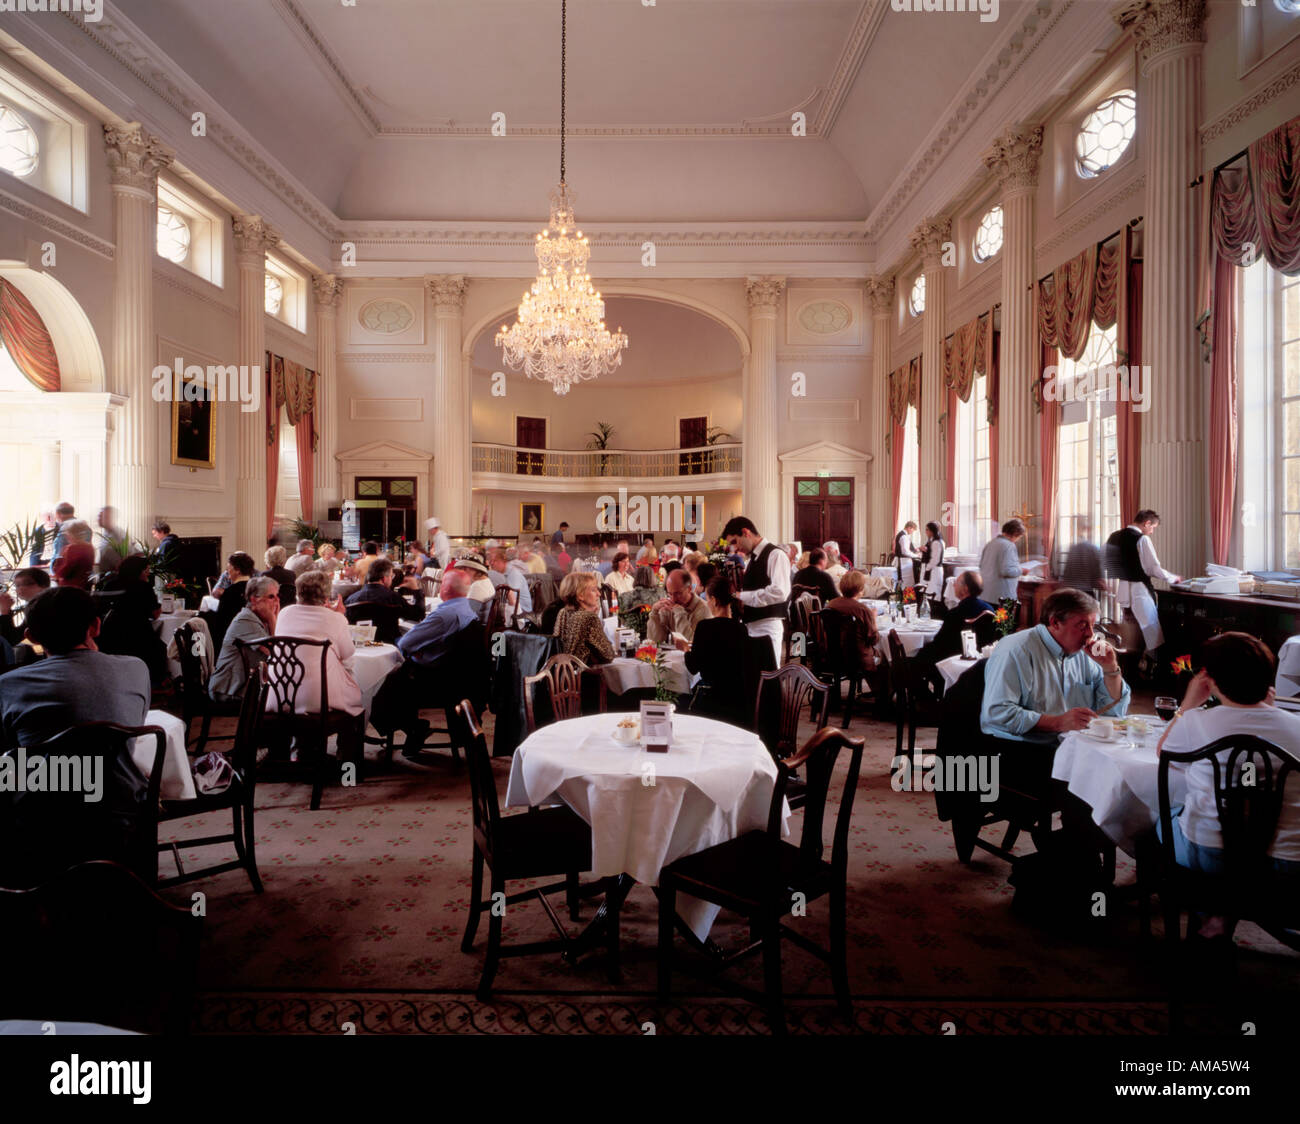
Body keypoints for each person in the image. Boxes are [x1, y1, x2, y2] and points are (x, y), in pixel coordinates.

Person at [0, 587, 153, 880]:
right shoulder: (136, 668)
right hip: (122, 808)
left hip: (40, 817)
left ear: (31, 635)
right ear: (96, 626)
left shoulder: (8, 685)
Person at [1156, 633, 1300, 914]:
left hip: (1212, 854)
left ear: (1209, 679)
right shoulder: (1297, 726)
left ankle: (1210, 907)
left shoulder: (1196, 721)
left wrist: (1187, 704)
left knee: (1161, 819)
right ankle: (1226, 909)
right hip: (1291, 859)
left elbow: (1164, 753)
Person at [981, 587, 1128, 796]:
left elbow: (1113, 713)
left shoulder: (1083, 654)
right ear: (1055, 622)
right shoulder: (1017, 650)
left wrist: (1110, 669)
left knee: (1121, 775)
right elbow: (996, 714)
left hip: (1069, 748)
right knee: (1101, 783)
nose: (1090, 634)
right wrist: (1058, 722)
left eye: (1092, 625)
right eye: (1082, 625)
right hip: (1019, 751)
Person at [378, 569, 488, 756]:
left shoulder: (444, 615)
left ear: (445, 588)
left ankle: (414, 727)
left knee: (378, 687)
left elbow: (404, 644)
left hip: (436, 682)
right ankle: (413, 728)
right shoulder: (465, 608)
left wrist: (417, 648)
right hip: (458, 678)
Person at [273, 569, 362, 717]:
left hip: (281, 694)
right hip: (320, 699)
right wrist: (339, 617)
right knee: (356, 686)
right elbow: (348, 658)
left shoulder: (284, 613)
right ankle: (349, 737)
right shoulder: (335, 619)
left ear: (298, 591)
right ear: (327, 595)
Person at [1105, 508, 1181, 658]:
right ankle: (1152, 669)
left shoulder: (1114, 536)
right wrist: (1173, 578)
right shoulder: (1142, 539)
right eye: (1152, 527)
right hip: (1140, 591)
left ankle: (1130, 666)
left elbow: (1109, 563)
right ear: (1146, 523)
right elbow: (1153, 568)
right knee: (1152, 633)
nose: (1152, 531)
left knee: (1131, 633)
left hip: (1123, 590)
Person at [676, 575, 750, 723]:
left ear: (715, 601)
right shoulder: (742, 629)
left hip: (711, 700)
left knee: (675, 699)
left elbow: (693, 667)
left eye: (708, 599)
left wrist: (685, 649)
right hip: (738, 701)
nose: (707, 603)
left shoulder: (705, 627)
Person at [723, 515, 791, 669]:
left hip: (767, 626)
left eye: (734, 541)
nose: (734, 548)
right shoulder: (752, 558)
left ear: (746, 533)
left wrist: (742, 596)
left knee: (769, 676)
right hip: (752, 625)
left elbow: (780, 592)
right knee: (755, 677)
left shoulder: (776, 555)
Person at [96, 554, 167, 685]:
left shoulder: (110, 584)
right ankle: (153, 685)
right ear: (139, 571)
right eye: (146, 571)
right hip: (138, 634)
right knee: (161, 648)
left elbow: (100, 608)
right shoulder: (144, 587)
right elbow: (155, 614)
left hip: (111, 635)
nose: (148, 574)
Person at [209, 575, 280, 702]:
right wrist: (272, 619)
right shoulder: (246, 620)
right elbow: (276, 654)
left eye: (277, 595)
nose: (277, 601)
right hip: (228, 690)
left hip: (243, 686)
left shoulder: (258, 619)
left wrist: (272, 619)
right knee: (282, 698)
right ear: (254, 600)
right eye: (271, 596)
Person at [823, 569, 887, 699]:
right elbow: (873, 639)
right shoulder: (862, 610)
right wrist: (873, 619)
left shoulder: (831, 604)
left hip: (832, 655)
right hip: (857, 658)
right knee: (886, 656)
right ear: (861, 589)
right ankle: (884, 697)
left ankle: (878, 692)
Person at [916, 570, 995, 667]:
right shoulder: (990, 610)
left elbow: (939, 644)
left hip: (952, 662)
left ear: (965, 589)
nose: (953, 586)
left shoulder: (955, 614)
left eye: (956, 583)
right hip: (981, 663)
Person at [345, 557, 423, 637]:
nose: (392, 580)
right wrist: (416, 590)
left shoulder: (350, 600)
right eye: (391, 576)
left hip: (362, 645)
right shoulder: (393, 598)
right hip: (390, 644)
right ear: (384, 579)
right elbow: (418, 615)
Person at [553, 572, 615, 666]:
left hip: (563, 676)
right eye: (594, 590)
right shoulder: (589, 618)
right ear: (580, 595)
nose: (598, 594)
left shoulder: (563, 612)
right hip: (583, 677)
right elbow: (608, 655)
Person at [647, 567, 712, 644]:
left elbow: (691, 643)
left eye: (678, 593)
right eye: (670, 594)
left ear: (689, 588)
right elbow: (656, 640)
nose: (673, 599)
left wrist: (679, 613)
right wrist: (655, 613)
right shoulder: (669, 605)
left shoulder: (703, 609)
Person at [212, 551, 256, 648]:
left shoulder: (229, 592)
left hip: (234, 644)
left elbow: (220, 626)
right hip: (255, 640)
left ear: (238, 570)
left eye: (229, 570)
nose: (228, 575)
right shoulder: (256, 590)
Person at [0, 568, 50, 647]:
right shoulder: (37, 604)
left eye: (27, 584)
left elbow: (10, 640)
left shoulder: (40, 607)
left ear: (43, 586)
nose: (19, 589)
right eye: (17, 586)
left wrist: (5, 612)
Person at [979, 518, 1025, 604]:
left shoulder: (990, 543)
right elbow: (1006, 571)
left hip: (985, 594)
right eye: (1019, 537)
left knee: (989, 617)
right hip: (1003, 597)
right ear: (1015, 534)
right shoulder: (1009, 545)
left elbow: (981, 566)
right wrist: (1021, 570)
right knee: (1004, 618)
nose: (1017, 540)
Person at [1061, 520, 1104, 601]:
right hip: (1086, 591)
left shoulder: (1072, 549)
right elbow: (1098, 575)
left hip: (1071, 591)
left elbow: (1066, 573)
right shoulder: (1093, 549)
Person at [52, 520, 94, 589]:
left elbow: (66, 569)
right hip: (85, 583)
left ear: (70, 534)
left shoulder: (71, 549)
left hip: (71, 585)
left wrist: (57, 573)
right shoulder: (90, 547)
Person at [488, 549, 532, 614]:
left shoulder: (513, 575)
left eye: (495, 561)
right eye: (490, 561)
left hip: (522, 613)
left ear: (504, 562)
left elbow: (511, 598)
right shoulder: (500, 574)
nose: (491, 563)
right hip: (511, 608)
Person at [920, 521, 946, 609]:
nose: (926, 532)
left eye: (927, 530)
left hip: (935, 570)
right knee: (930, 592)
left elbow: (935, 560)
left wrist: (927, 568)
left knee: (933, 592)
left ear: (932, 531)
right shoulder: (937, 541)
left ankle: (934, 612)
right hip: (934, 570)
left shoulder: (936, 542)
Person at [95, 506, 125, 575]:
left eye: (103, 517)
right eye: (99, 516)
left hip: (114, 579)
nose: (99, 519)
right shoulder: (106, 533)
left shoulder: (119, 536)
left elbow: (121, 563)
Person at [49, 501, 77, 566]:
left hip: (66, 570)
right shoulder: (84, 526)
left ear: (58, 514)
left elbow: (60, 554)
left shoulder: (65, 529)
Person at [894, 521, 920, 586]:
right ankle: (908, 596)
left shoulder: (901, 534)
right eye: (913, 530)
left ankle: (906, 595)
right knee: (907, 582)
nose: (912, 532)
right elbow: (905, 552)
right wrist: (916, 556)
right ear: (909, 528)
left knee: (906, 582)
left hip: (903, 561)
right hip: (904, 562)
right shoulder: (904, 536)